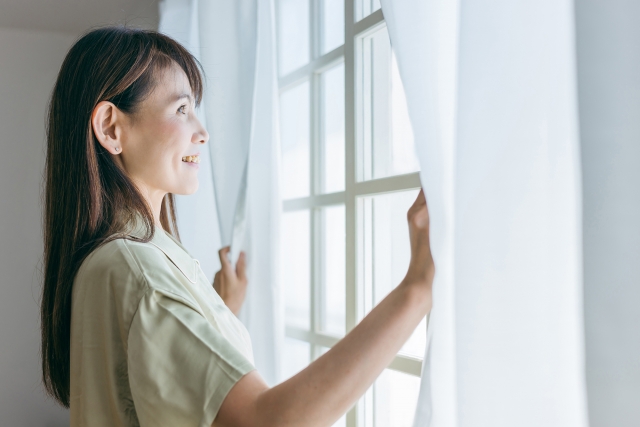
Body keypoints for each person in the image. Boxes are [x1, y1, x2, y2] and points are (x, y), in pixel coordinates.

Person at [40, 26, 434, 427]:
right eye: (181, 110)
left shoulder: (110, 262)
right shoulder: (138, 271)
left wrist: (217, 312)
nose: (203, 132)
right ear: (111, 127)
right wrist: (416, 289)